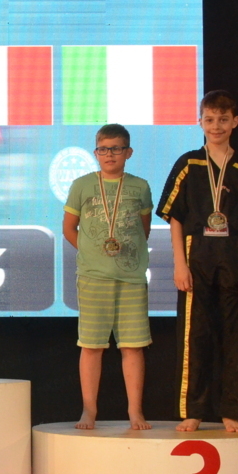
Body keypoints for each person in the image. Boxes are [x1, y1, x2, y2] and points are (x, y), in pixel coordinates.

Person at [156, 90, 238, 432]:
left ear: (235, 122)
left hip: (237, 257)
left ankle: (232, 410)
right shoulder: (188, 164)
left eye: (223, 119)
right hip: (197, 256)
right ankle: (194, 410)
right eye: (209, 119)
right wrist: (179, 264)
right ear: (200, 122)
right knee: (196, 335)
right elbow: (175, 218)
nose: (216, 126)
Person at [63, 124, 153, 430]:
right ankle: (89, 411)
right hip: (93, 277)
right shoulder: (82, 185)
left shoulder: (140, 187)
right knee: (91, 345)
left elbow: (143, 229)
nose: (109, 154)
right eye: (103, 149)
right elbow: (69, 228)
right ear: (96, 153)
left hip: (131, 278)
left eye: (116, 148)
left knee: (133, 346)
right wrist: (91, 252)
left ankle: (135, 411)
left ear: (128, 152)